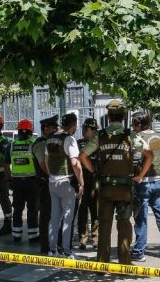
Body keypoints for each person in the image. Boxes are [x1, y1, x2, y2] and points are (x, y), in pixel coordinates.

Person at [79, 100, 135, 265]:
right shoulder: (130, 135)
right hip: (125, 189)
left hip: (105, 188)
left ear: (109, 118)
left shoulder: (100, 136)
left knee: (104, 225)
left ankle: (102, 263)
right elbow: (148, 154)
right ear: (124, 117)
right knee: (124, 225)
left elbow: (82, 156)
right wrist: (139, 176)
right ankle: (124, 263)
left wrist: (93, 171)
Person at [131, 111, 160, 262]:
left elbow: (137, 159)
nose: (132, 126)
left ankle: (138, 252)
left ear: (138, 124)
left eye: (133, 124)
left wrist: (138, 176)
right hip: (159, 181)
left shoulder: (137, 138)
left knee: (141, 218)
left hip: (143, 183)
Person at [44, 113, 84, 258]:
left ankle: (52, 250)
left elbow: (46, 161)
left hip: (53, 181)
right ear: (73, 126)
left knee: (54, 216)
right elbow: (75, 164)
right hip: (66, 182)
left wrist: (51, 175)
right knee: (68, 217)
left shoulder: (50, 138)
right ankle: (67, 251)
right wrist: (81, 183)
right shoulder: (70, 139)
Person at [32, 115, 59, 253]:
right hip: (45, 184)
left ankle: (53, 243)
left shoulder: (49, 141)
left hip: (51, 183)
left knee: (54, 214)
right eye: (54, 128)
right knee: (46, 215)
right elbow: (44, 165)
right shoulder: (41, 143)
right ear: (46, 128)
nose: (56, 131)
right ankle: (46, 245)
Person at [10, 118, 38, 242]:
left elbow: (6, 164)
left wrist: (7, 180)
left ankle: (16, 235)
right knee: (32, 209)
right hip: (32, 181)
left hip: (16, 182)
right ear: (30, 131)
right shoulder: (34, 144)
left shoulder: (12, 145)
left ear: (19, 131)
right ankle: (33, 236)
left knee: (17, 209)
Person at [76, 118, 99, 250]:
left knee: (95, 211)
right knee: (82, 212)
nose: (84, 131)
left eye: (87, 129)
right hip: (82, 182)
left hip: (95, 182)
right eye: (84, 128)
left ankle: (95, 239)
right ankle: (82, 239)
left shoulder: (99, 144)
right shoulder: (79, 143)